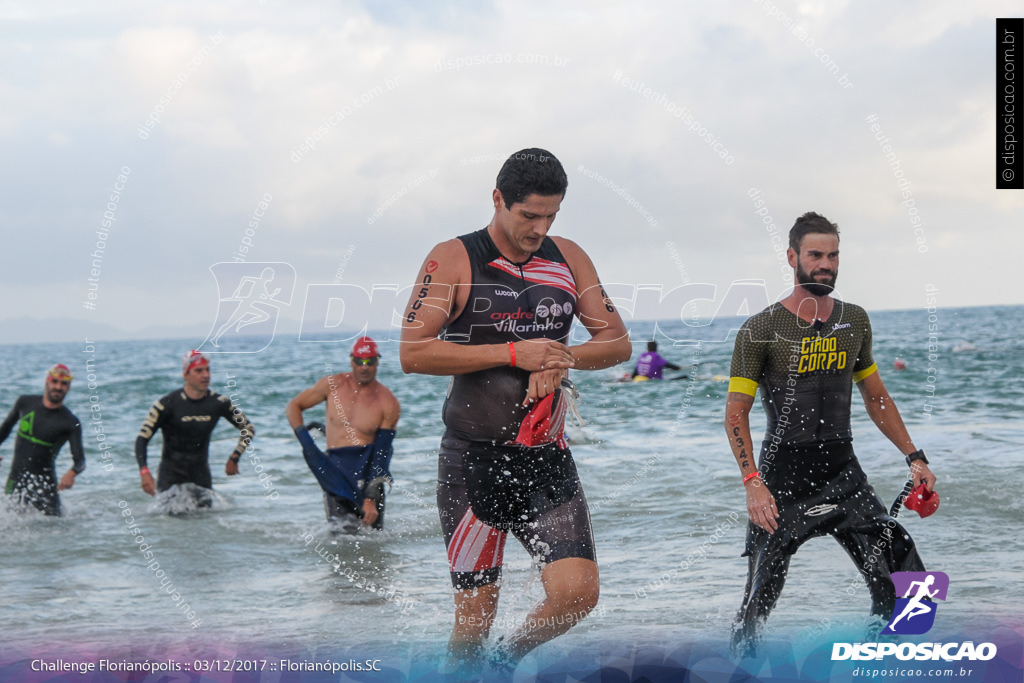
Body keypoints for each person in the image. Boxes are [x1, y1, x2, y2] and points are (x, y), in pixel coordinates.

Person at [399, 148, 631, 670]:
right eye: (529, 215)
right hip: (471, 463)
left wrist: (560, 356)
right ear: (499, 200)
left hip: (545, 457)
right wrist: (513, 353)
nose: (539, 227)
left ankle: (505, 663)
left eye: (550, 215)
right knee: (475, 618)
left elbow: (617, 342)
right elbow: (413, 352)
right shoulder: (454, 257)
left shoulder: (568, 256)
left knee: (578, 594)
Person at [724, 211, 937, 655]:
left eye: (833, 255)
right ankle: (738, 665)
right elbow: (735, 414)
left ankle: (882, 656)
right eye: (816, 254)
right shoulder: (761, 329)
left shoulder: (854, 320)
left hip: (843, 471)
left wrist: (914, 457)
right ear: (792, 257)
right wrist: (753, 484)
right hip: (783, 477)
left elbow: (876, 397)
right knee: (761, 595)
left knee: (903, 572)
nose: (826, 264)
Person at [286, 336, 400, 531]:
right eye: (359, 361)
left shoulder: (387, 402)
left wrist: (371, 498)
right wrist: (306, 442)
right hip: (336, 471)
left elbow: (382, 452)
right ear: (351, 361)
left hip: (369, 472)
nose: (364, 367)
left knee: (373, 540)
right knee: (339, 537)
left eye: (370, 361)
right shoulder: (332, 386)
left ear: (377, 362)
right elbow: (294, 406)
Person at [135, 351, 254, 504]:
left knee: (206, 524)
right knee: (169, 525)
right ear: (186, 374)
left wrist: (235, 457)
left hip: (201, 477)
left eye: (208, 370)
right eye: (199, 371)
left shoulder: (219, 402)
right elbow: (142, 439)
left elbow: (248, 428)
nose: (205, 375)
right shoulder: (167, 404)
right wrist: (144, 472)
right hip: (171, 478)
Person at [0, 364, 85, 516]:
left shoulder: (71, 422)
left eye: (64, 384)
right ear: (47, 381)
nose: (58, 387)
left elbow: (80, 461)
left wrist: (71, 473)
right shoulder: (24, 403)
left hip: (45, 487)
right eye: (55, 381)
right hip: (15, 480)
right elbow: (4, 430)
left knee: (54, 529)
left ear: (69, 387)